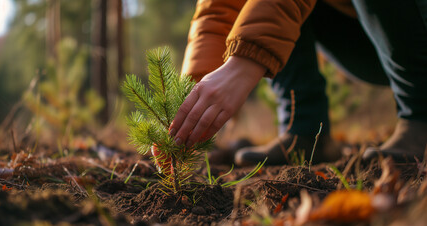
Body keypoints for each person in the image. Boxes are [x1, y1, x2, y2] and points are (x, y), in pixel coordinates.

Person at [168, 0, 427, 166]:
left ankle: (421, 115)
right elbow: (218, 7)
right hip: (372, 42)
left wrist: (243, 63)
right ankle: (305, 132)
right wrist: (195, 88)